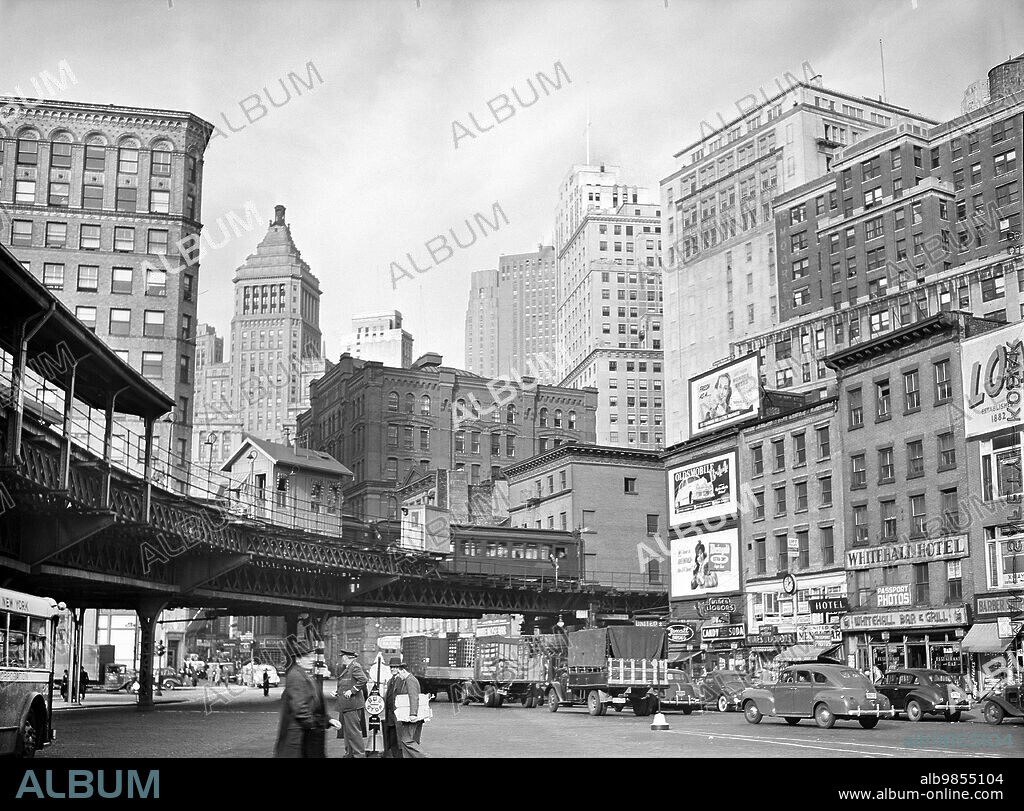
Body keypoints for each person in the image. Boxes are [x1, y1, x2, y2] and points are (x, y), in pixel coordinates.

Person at [274, 645, 340, 758]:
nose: (311, 660)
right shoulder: (296, 676)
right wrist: (315, 725)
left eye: (312, 656)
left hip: (305, 734)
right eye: (307, 657)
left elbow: (313, 703)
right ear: (298, 659)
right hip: (298, 735)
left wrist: (328, 719)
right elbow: (300, 707)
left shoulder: (304, 674)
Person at [384, 659, 426, 759]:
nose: (396, 672)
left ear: (403, 670)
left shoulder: (409, 680)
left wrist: (413, 713)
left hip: (406, 717)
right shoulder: (393, 680)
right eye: (392, 667)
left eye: (397, 669)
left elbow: (413, 697)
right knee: (401, 742)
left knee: (407, 741)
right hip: (394, 717)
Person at [333, 649, 368, 758]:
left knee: (354, 733)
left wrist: (352, 691)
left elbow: (363, 680)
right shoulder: (348, 668)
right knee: (348, 733)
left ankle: (359, 755)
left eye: (343, 656)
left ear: (348, 657)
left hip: (353, 705)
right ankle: (349, 754)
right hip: (346, 705)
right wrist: (337, 693)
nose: (342, 658)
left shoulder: (355, 667)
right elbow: (345, 684)